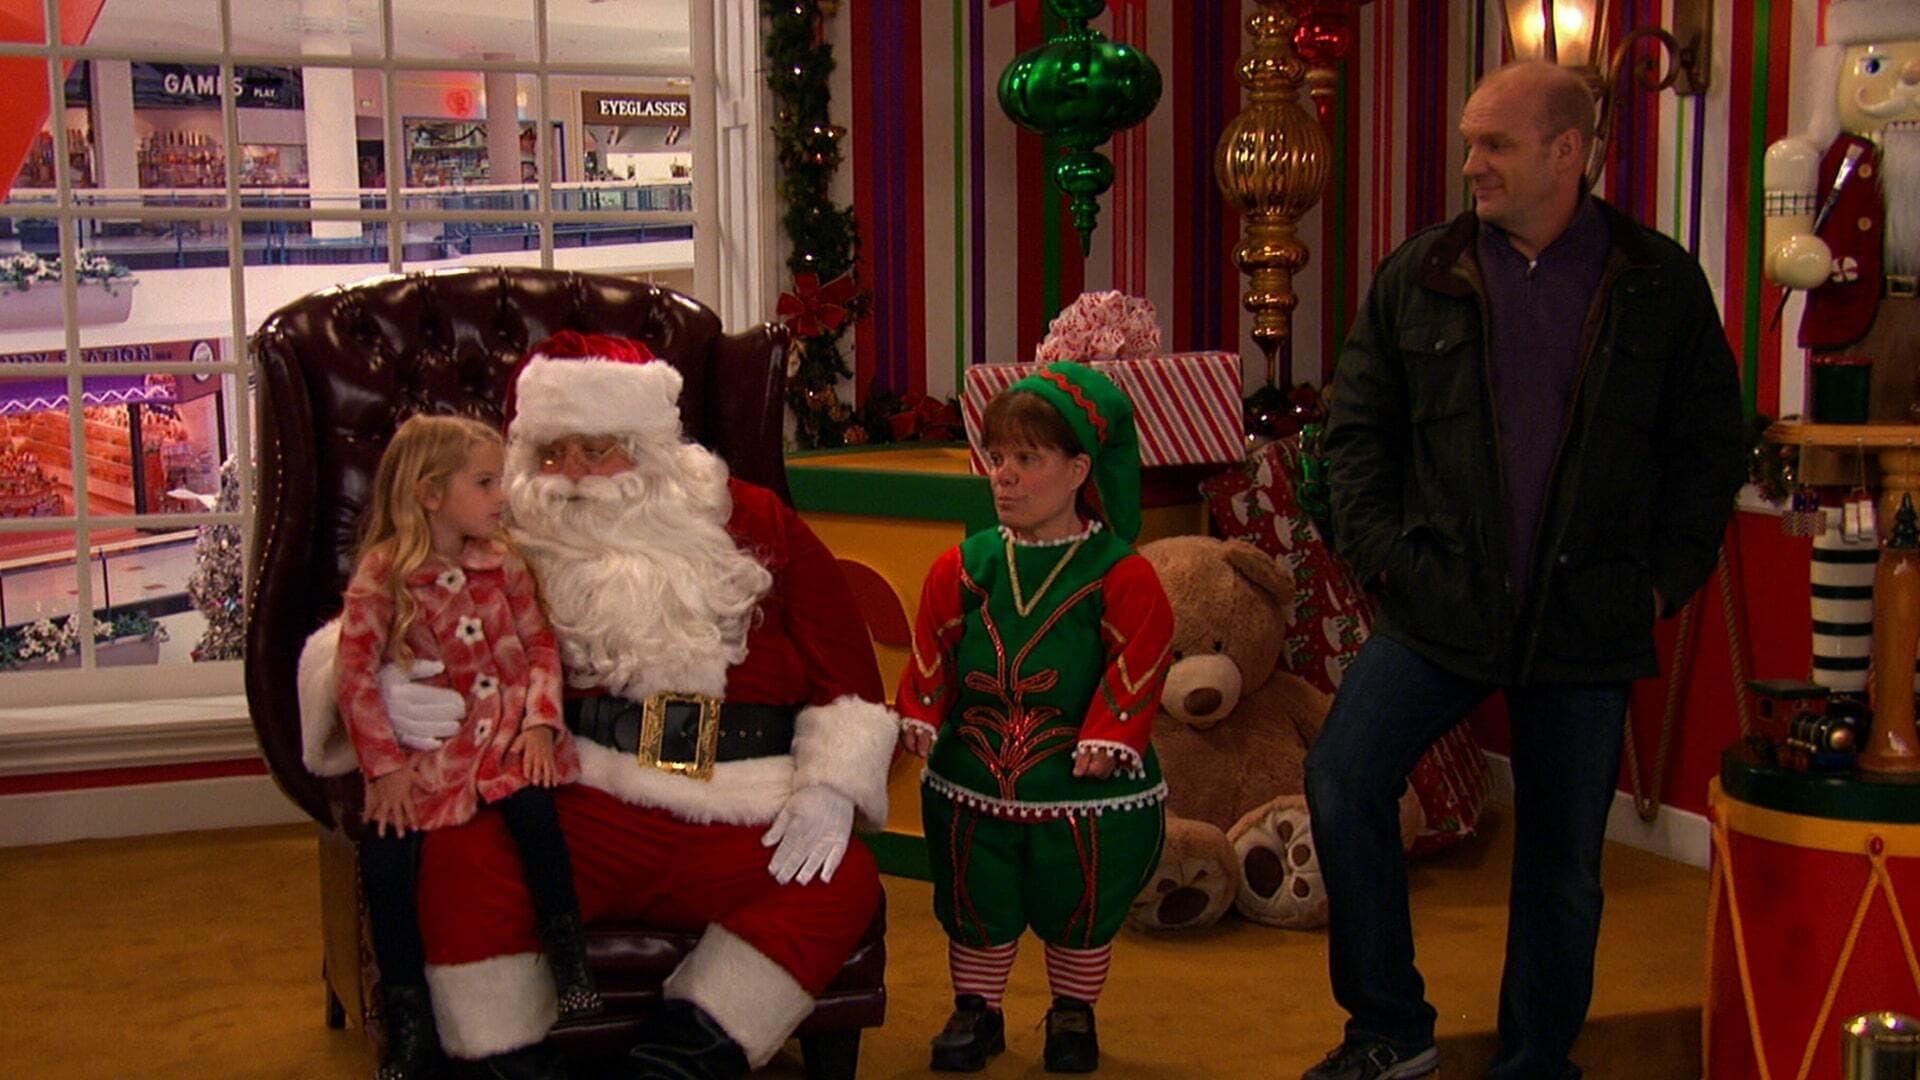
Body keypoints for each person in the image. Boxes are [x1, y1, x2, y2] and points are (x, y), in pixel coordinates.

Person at [1303, 61, 1746, 1080]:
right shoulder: (1421, 272)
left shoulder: (1658, 284)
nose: (1472, 166)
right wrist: (1387, 563)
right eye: (1470, 143)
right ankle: (1388, 1030)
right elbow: (1355, 436)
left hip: (1587, 614)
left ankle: (1537, 1060)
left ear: (1567, 151)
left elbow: (1710, 450)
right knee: (1343, 776)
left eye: (1494, 145)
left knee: (1562, 862)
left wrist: (1661, 583)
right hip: (1438, 599)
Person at [302, 332, 898, 1080]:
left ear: (649, 450)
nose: (573, 475)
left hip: (738, 805)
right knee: (460, 856)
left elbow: (845, 665)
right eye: (551, 454)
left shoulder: (752, 519)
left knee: (842, 881)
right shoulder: (500, 529)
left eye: (597, 450)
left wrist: (833, 786)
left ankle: (683, 1057)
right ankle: (509, 1063)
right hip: (573, 801)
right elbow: (371, 612)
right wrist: (371, 680)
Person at [896, 361, 1173, 1074]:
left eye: (1028, 458)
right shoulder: (966, 565)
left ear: (1079, 470)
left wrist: (1111, 733)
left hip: (1079, 781)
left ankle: (1073, 1013)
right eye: (997, 458)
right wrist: (921, 708)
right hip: (974, 771)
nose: (1005, 477)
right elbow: (933, 643)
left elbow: (1139, 656)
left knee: (1077, 896)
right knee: (977, 893)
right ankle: (977, 1011)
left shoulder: (1121, 572)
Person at [335, 414, 599, 1080]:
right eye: (484, 483)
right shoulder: (384, 574)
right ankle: (407, 1020)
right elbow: (354, 677)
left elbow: (540, 645)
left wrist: (540, 723)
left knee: (537, 818)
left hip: (506, 740)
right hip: (431, 759)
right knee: (387, 862)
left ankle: (569, 962)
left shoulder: (503, 561)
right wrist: (385, 769)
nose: (500, 496)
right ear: (430, 493)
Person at [1763, 0, 1920, 421]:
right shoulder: (1812, 160)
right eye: (1874, 66)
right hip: (1855, 320)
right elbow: (1782, 250)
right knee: (1849, 439)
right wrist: (1793, 255)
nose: (1911, 75)